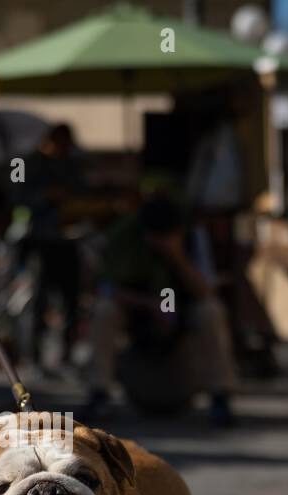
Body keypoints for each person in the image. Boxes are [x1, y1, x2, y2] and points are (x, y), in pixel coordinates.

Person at [82, 193, 237, 427]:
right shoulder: (125, 235)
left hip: (182, 307)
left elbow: (205, 290)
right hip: (138, 307)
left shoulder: (193, 236)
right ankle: (99, 393)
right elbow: (106, 287)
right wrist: (150, 305)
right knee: (104, 311)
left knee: (211, 311)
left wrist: (176, 256)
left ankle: (220, 396)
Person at [15, 124, 85, 373]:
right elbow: (16, 197)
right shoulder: (28, 164)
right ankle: (34, 355)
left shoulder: (72, 165)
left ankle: (66, 355)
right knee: (38, 300)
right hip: (41, 241)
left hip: (68, 240)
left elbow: (82, 192)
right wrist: (45, 197)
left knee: (71, 301)